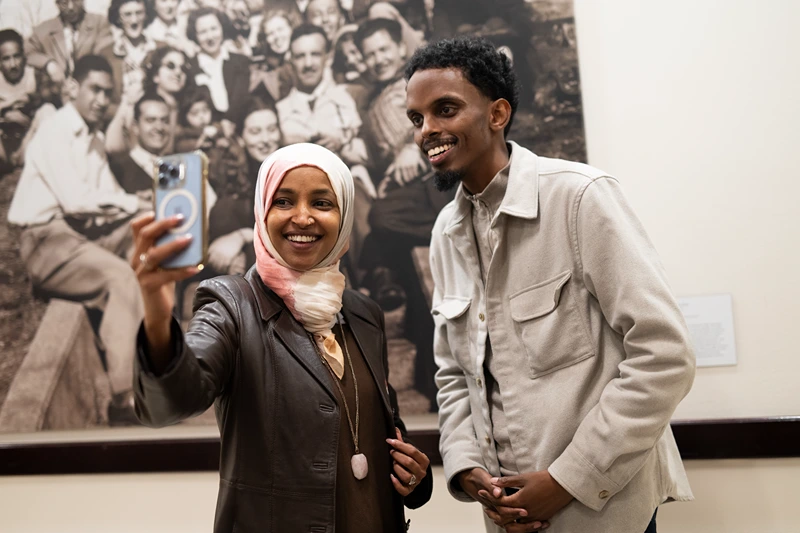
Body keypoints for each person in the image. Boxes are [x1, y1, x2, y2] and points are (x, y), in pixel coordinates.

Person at [406, 37, 695, 533]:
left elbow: (664, 356)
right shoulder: (445, 233)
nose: (428, 130)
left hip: (604, 514)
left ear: (497, 114)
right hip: (506, 517)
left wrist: (565, 481)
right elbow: (453, 373)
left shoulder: (581, 198)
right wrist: (470, 471)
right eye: (416, 118)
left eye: (445, 109)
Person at [129, 142, 433, 532]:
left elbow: (381, 427)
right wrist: (156, 310)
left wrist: (414, 476)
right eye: (284, 201)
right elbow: (169, 403)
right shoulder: (231, 305)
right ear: (262, 212)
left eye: (322, 203)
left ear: (344, 217)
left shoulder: (363, 315)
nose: (302, 218)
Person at [7, 55, 148, 425]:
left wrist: (143, 207)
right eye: (94, 90)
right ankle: (122, 398)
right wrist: (133, 201)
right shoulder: (55, 129)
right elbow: (76, 199)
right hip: (46, 239)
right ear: (73, 88)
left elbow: (110, 197)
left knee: (145, 231)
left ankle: (145, 362)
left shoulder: (93, 138)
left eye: (108, 92)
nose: (102, 100)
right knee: (118, 277)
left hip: (77, 236)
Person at [187, 7, 251, 128]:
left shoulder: (240, 62)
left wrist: (228, 123)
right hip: (205, 130)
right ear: (195, 35)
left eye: (214, 29)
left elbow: (241, 98)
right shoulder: (190, 67)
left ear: (222, 29)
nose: (210, 36)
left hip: (239, 127)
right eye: (203, 32)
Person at [25, 0, 113, 86]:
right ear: (57, 4)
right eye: (64, 3)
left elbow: (104, 51)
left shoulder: (99, 23)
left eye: (75, 0)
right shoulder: (43, 30)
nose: (71, 7)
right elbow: (26, 52)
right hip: (57, 92)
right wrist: (49, 64)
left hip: (90, 87)